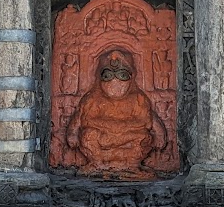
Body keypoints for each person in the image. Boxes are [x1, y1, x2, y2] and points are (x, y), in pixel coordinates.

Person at [64, 49, 168, 180]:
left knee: (142, 137)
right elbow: (79, 119)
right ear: (99, 77)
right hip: (101, 140)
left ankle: (132, 165)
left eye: (122, 75)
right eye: (107, 76)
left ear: (131, 77)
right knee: (88, 136)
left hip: (129, 139)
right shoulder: (92, 98)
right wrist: (72, 134)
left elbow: (150, 120)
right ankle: (97, 164)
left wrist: (159, 135)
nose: (115, 82)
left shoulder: (139, 99)